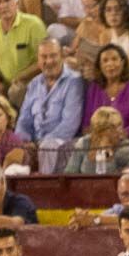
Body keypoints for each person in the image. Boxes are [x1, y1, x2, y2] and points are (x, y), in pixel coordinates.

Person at [15, 38, 84, 172]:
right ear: (38, 60)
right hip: (35, 142)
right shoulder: (34, 83)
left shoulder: (74, 81)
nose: (49, 61)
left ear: (62, 56)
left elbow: (70, 124)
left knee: (48, 147)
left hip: (62, 142)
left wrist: (41, 144)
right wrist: (24, 140)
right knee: (15, 147)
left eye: (53, 56)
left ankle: (45, 189)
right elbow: (24, 119)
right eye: (44, 57)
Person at [65, 105, 129, 173]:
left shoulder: (126, 147)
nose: (120, 131)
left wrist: (106, 152)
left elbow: (112, 176)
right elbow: (70, 172)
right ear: (100, 130)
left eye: (120, 125)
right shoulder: (83, 143)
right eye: (113, 127)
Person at [100, 0, 129, 64]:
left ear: (125, 12)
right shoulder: (104, 36)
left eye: (118, 9)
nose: (113, 14)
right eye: (108, 10)